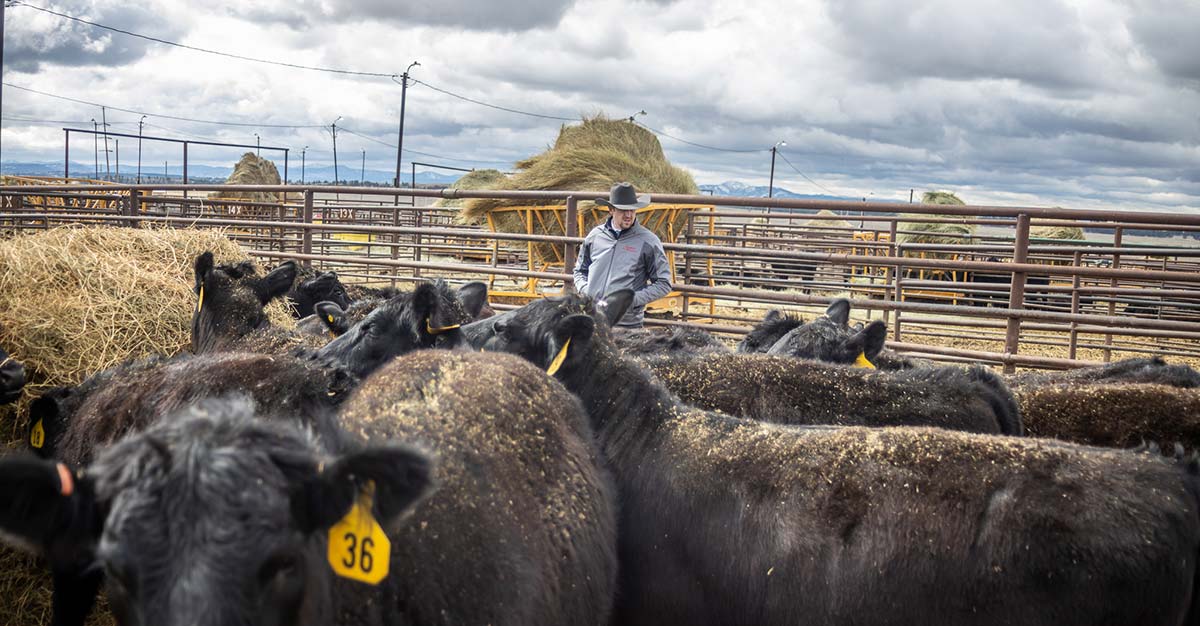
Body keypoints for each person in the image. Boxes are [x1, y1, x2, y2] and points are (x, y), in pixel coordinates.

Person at [573, 182, 672, 328]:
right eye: (623, 210)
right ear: (611, 210)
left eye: (632, 210)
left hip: (626, 323)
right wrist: (587, 291)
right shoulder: (595, 236)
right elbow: (580, 271)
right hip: (593, 319)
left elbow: (663, 283)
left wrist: (631, 300)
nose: (628, 215)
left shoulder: (648, 241)